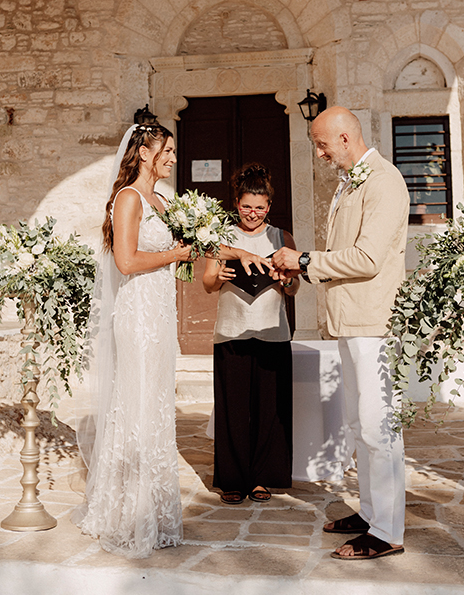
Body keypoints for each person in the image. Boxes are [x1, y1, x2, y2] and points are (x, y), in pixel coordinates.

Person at [74, 120, 272, 557]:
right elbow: (126, 261)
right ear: (144, 152)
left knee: (157, 407)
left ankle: (157, 514)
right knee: (138, 404)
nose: (173, 158)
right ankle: (128, 513)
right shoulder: (128, 199)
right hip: (137, 313)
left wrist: (242, 252)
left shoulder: (162, 202)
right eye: (167, 150)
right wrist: (177, 254)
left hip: (160, 314)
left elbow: (202, 244)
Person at [272, 106, 409, 561]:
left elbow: (367, 258)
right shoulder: (351, 182)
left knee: (378, 427)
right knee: (358, 424)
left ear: (346, 138)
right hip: (350, 321)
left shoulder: (385, 181)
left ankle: (388, 531)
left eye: (322, 143)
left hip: (374, 322)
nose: (320, 153)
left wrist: (305, 261)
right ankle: (371, 513)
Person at [203, 163, 299, 505]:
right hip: (231, 331)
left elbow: (294, 288)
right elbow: (207, 284)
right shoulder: (222, 236)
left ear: (269, 207)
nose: (253, 213)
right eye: (247, 206)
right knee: (233, 409)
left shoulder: (281, 237)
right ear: (236, 204)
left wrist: (285, 278)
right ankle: (232, 479)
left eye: (260, 207)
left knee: (268, 410)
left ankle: (262, 478)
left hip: (273, 333)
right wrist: (221, 277)